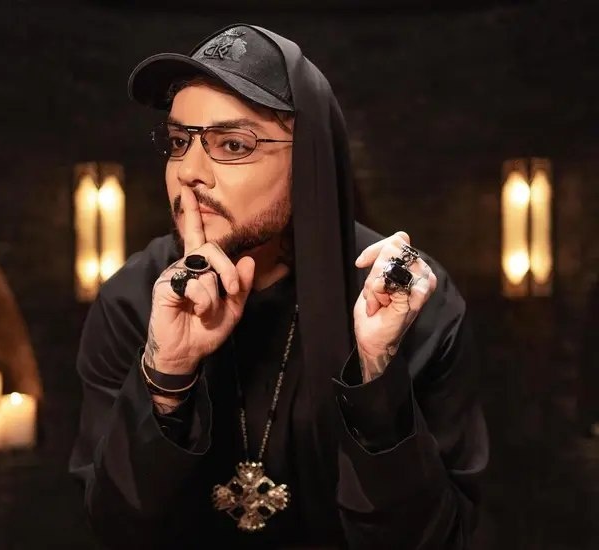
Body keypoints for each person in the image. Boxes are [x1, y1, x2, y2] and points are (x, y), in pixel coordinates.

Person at [69, 23, 489, 549]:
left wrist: (376, 376)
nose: (188, 171)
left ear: (308, 159)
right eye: (178, 142)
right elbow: (118, 532)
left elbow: (438, 540)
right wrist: (166, 376)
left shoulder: (407, 300)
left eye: (232, 144)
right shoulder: (133, 299)